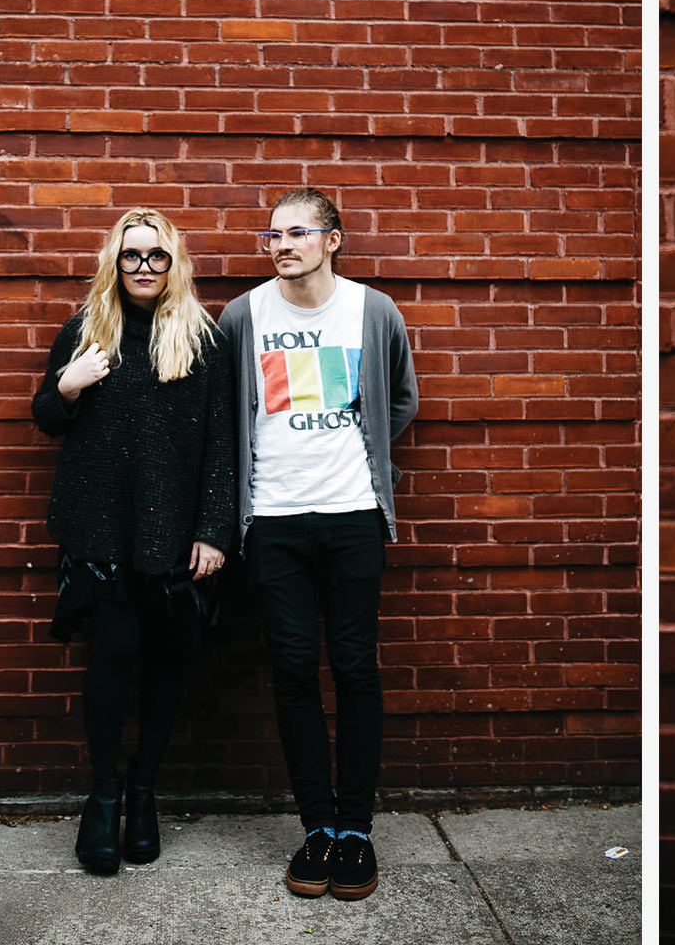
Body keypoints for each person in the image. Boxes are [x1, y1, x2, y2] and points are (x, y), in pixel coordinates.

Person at [218, 188, 418, 903]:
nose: (281, 245)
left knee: (357, 667)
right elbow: (228, 415)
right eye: (271, 236)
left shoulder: (373, 310)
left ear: (333, 240)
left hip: (353, 514)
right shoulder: (242, 316)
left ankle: (357, 830)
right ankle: (319, 829)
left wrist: (362, 461)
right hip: (272, 521)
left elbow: (400, 399)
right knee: (296, 670)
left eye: (297, 232)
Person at [32, 208, 235, 875]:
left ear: (174, 264)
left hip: (176, 538)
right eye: (131, 256)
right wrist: (68, 384)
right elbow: (46, 419)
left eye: (156, 256)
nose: (144, 267)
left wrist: (212, 530)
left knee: (169, 665)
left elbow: (221, 447)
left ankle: (144, 796)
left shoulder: (203, 343)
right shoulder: (88, 332)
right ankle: (102, 799)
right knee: (112, 662)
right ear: (113, 265)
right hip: (105, 532)